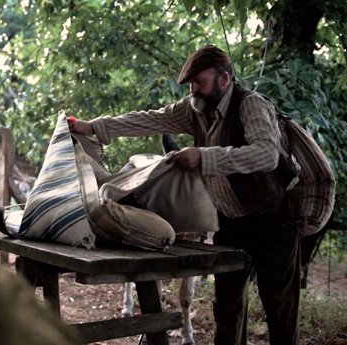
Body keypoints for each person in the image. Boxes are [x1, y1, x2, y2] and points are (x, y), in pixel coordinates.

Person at [69, 45, 301, 345]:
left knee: (279, 308)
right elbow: (150, 120)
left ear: (224, 80)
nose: (194, 90)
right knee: (227, 309)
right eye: (191, 84)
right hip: (232, 223)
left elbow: (266, 154)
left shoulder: (251, 105)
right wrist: (93, 127)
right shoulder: (195, 108)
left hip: (274, 221)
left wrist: (204, 157)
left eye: (200, 83)